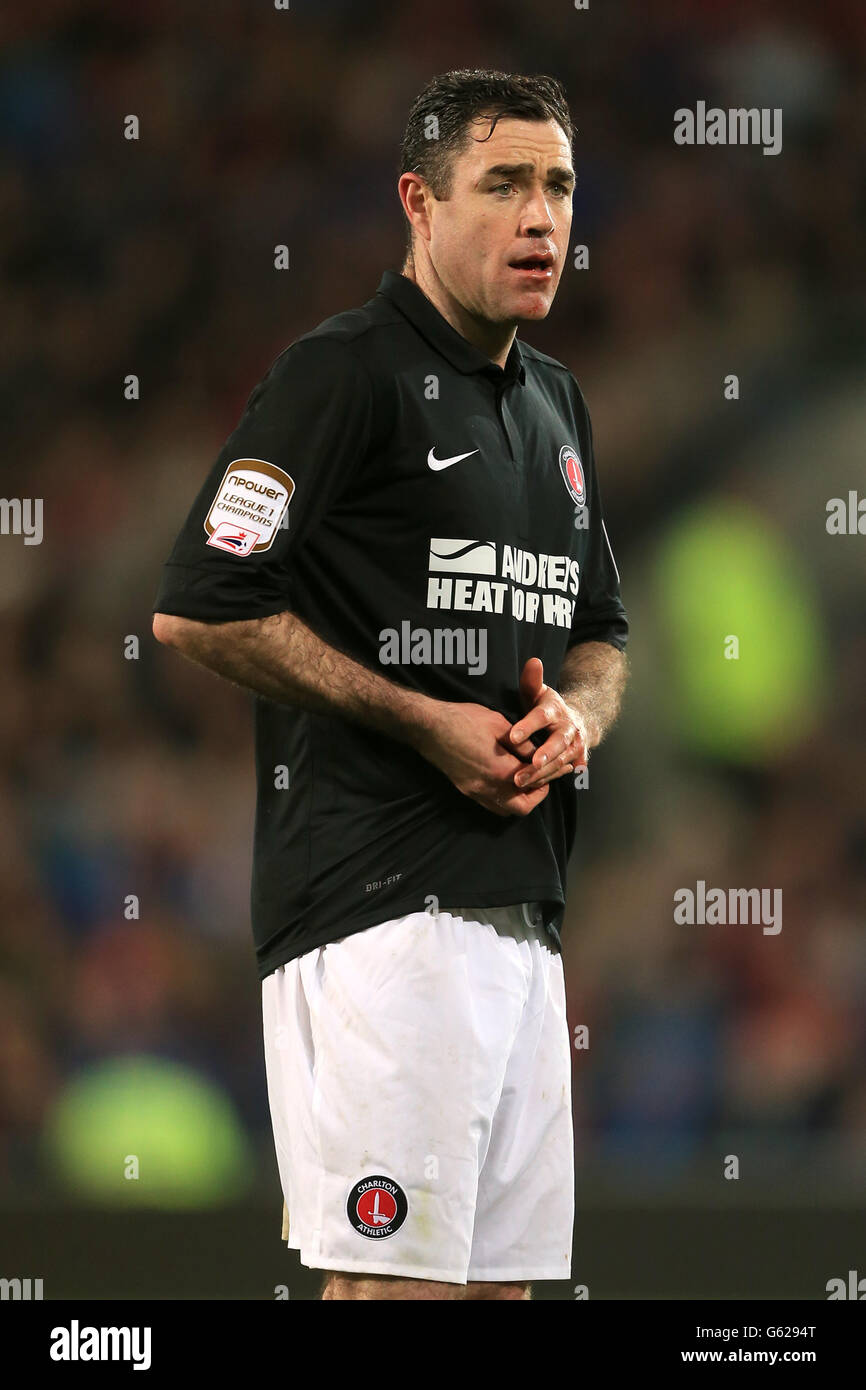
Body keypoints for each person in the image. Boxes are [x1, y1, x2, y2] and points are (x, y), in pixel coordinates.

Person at [152, 68, 629, 1301]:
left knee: (492, 1295)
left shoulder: (556, 405)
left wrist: (577, 716)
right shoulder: (340, 373)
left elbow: (603, 636)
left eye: (559, 187)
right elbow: (202, 604)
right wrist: (427, 725)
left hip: (522, 919)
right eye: (504, 184)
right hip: (380, 912)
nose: (540, 219)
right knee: (395, 1293)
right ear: (417, 203)